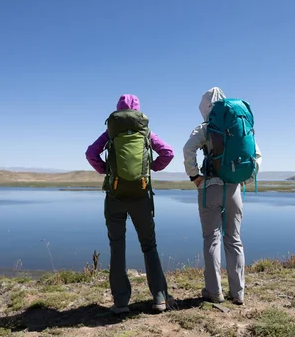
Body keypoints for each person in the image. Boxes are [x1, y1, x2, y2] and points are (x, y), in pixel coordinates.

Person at [86, 94, 175, 313]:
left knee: (117, 247)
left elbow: (91, 153)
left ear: (118, 111)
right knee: (149, 246)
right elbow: (168, 152)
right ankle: (160, 298)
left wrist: (105, 170)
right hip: (141, 194)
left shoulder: (112, 131)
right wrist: (151, 168)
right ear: (137, 111)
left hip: (115, 195)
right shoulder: (145, 131)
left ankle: (121, 302)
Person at [182, 87, 262, 305]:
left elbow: (188, 149)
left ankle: (214, 292)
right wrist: (245, 177)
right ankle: (238, 294)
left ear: (205, 107)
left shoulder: (206, 127)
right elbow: (256, 154)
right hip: (234, 189)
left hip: (210, 188)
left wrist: (194, 176)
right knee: (234, 239)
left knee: (212, 239)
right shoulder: (239, 125)